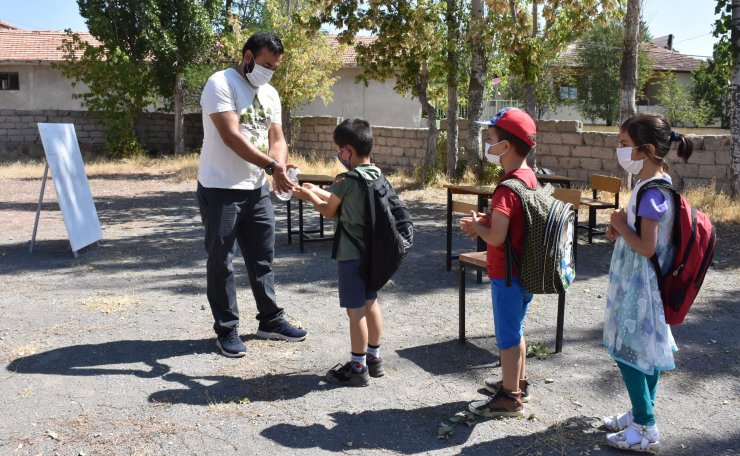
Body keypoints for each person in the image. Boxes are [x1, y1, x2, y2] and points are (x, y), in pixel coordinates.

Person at [196, 32, 307, 358]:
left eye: (275, 67)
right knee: (222, 263)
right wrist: (273, 165)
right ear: (247, 56)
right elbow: (231, 136)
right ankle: (227, 331)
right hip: (221, 189)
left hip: (256, 189)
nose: (269, 72)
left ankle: (270, 321)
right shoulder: (221, 84)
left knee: (262, 260)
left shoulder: (270, 94)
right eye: (265, 64)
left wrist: (280, 167)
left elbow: (278, 138)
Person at [601, 114, 693, 452]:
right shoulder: (650, 185)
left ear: (647, 149)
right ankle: (642, 413)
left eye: (624, 144)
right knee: (648, 352)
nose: (619, 150)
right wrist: (621, 228)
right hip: (639, 280)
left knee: (627, 352)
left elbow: (647, 246)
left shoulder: (653, 192)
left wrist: (620, 225)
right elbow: (640, 236)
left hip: (641, 285)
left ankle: (645, 427)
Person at [292, 118, 384, 387]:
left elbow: (330, 210)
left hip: (351, 253)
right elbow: (340, 198)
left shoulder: (346, 179)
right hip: (373, 253)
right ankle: (374, 358)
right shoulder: (375, 174)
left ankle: (357, 368)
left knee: (355, 312)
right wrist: (317, 189)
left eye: (339, 150)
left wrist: (309, 197)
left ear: (347, 150)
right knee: (371, 304)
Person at [460, 107, 538, 417]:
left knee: (506, 337)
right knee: (516, 330)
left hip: (506, 273)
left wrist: (476, 226)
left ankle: (510, 398)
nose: (488, 145)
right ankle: (519, 382)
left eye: (490, 139)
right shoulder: (529, 178)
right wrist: (489, 220)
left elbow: (496, 238)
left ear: (505, 147)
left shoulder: (506, 189)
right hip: (525, 270)